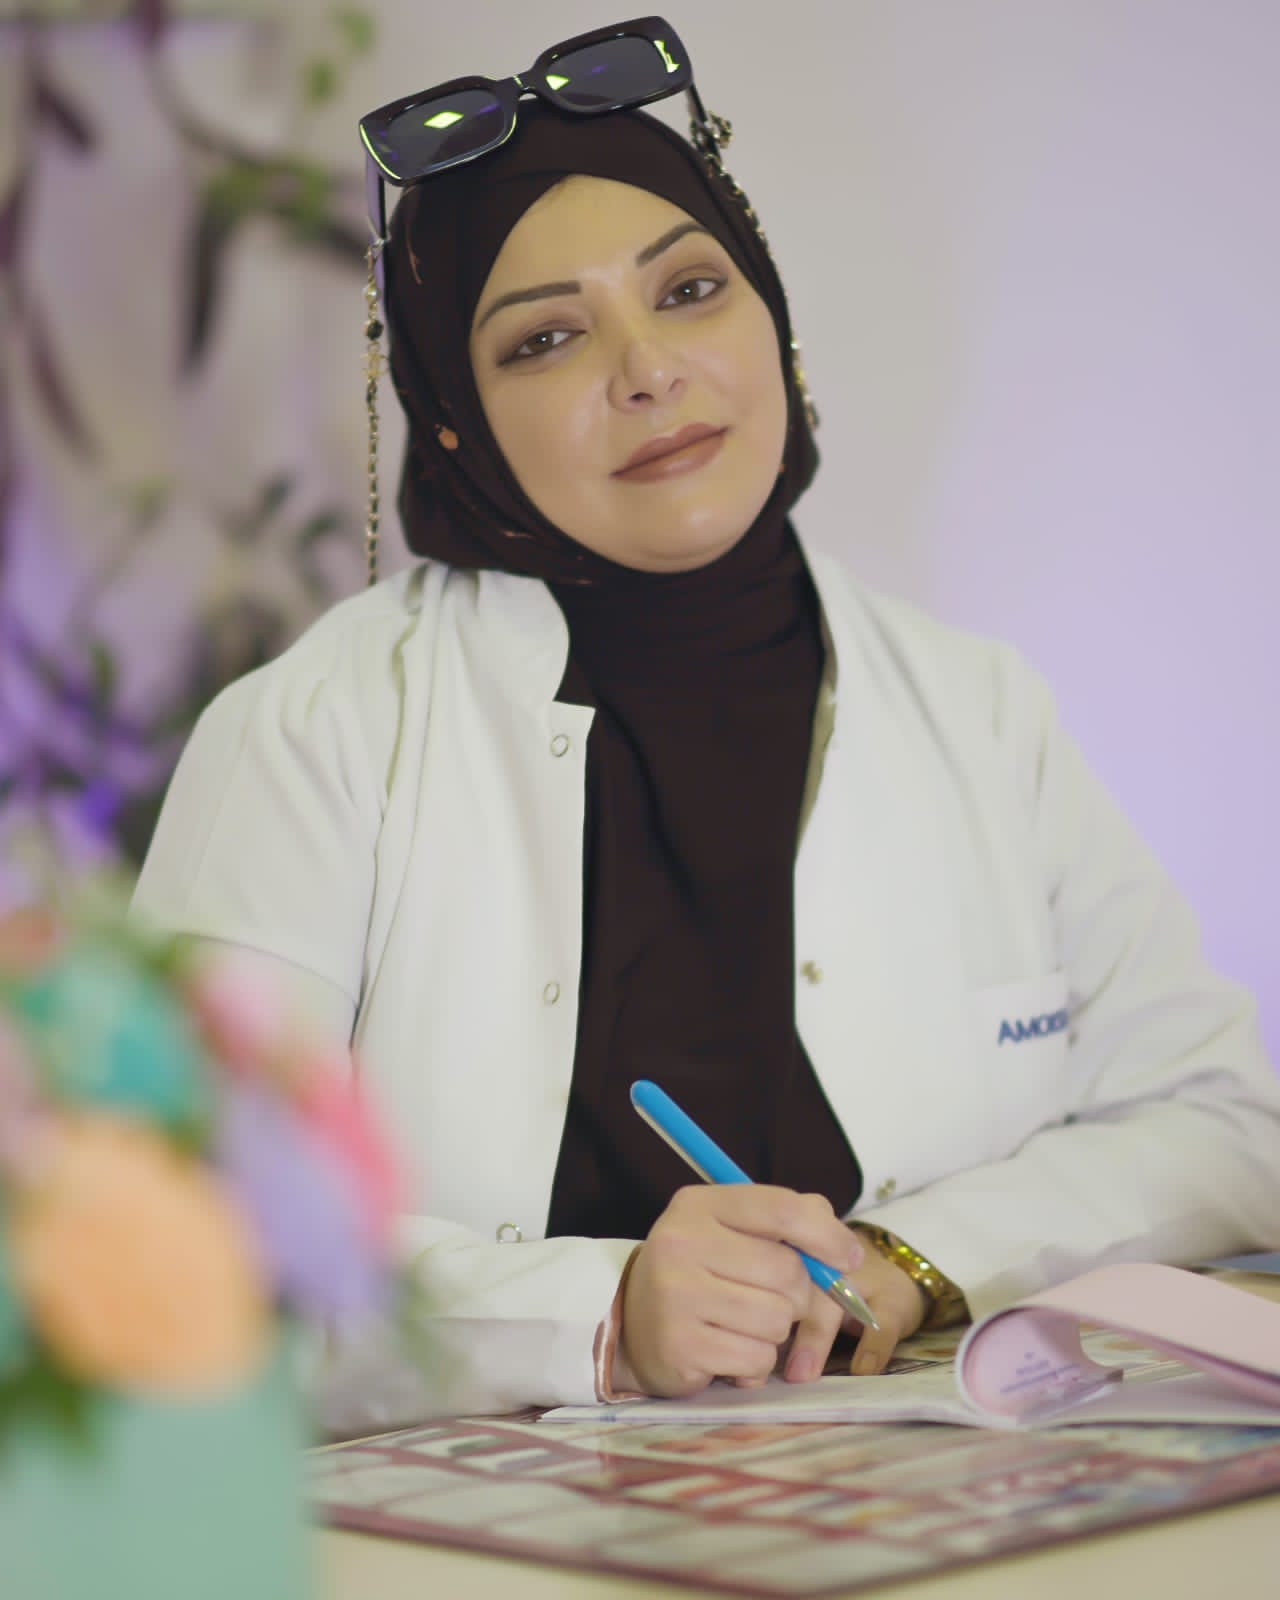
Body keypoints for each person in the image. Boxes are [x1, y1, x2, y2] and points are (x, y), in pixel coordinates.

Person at [132, 19, 1280, 1428]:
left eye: (688, 290)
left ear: (770, 320)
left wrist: (917, 1256)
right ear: (453, 422)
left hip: (944, 1500)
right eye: (546, 338)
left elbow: (1226, 1127)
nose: (648, 370)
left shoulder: (979, 708)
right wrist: (598, 1316)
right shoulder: (313, 735)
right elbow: (172, 1253)